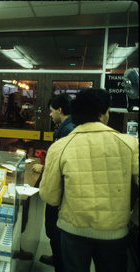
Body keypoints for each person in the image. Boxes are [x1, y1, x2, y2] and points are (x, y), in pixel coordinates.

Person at [39, 88, 138, 272]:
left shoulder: (61, 146)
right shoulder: (129, 143)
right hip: (114, 232)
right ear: (102, 113)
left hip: (73, 230)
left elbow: (49, 196)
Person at [33, 93, 75, 272]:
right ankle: (57, 257)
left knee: (55, 229)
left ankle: (60, 263)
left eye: (51, 111)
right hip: (58, 188)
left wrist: (45, 170)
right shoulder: (64, 127)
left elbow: (65, 162)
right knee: (53, 229)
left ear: (59, 110)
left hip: (61, 191)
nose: (49, 115)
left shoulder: (69, 129)